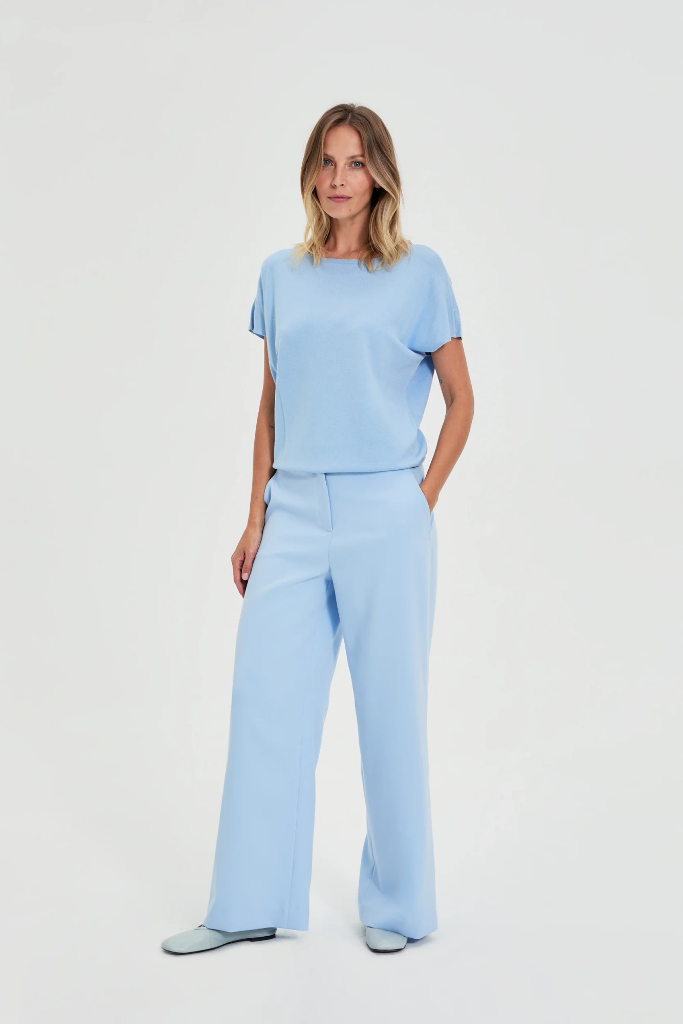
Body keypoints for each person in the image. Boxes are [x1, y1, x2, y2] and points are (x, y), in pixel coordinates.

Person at [161, 102, 474, 956]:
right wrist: (253, 517)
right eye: (326, 162)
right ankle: (244, 904)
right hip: (293, 512)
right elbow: (272, 404)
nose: (338, 178)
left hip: (386, 513)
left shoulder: (418, 273)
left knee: (389, 713)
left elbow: (460, 400)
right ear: (310, 173)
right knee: (264, 702)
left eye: (355, 162)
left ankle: (398, 909)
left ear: (379, 176)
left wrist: (419, 501)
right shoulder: (281, 274)